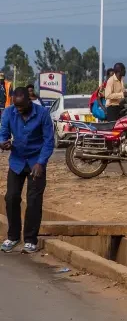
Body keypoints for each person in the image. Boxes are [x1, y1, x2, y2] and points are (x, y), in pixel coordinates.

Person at [0, 88, 55, 253]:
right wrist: (3, 143)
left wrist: (41, 162)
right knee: (11, 198)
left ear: (29, 101)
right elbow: (3, 134)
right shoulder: (9, 113)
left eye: (22, 106)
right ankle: (13, 236)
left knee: (33, 201)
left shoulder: (42, 114)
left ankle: (30, 239)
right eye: (16, 107)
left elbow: (49, 141)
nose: (19, 110)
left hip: (36, 162)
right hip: (17, 161)